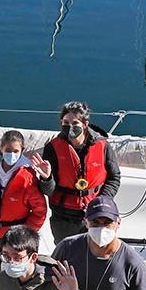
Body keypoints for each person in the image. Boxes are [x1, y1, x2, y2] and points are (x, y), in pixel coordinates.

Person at [0, 129, 55, 274]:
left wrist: (25, 234)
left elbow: (40, 210)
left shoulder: (28, 176)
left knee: (17, 266)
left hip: (18, 234)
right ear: (1, 149)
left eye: (16, 151)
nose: (12, 154)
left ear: (22, 151)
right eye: (8, 150)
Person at [42, 101, 121, 242]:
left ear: (85, 124)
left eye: (75, 123)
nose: (70, 127)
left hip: (94, 211)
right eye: (65, 122)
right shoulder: (52, 148)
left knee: (93, 251)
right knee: (65, 254)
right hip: (63, 215)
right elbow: (48, 191)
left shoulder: (102, 146)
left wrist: (102, 201)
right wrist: (46, 178)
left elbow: (114, 177)